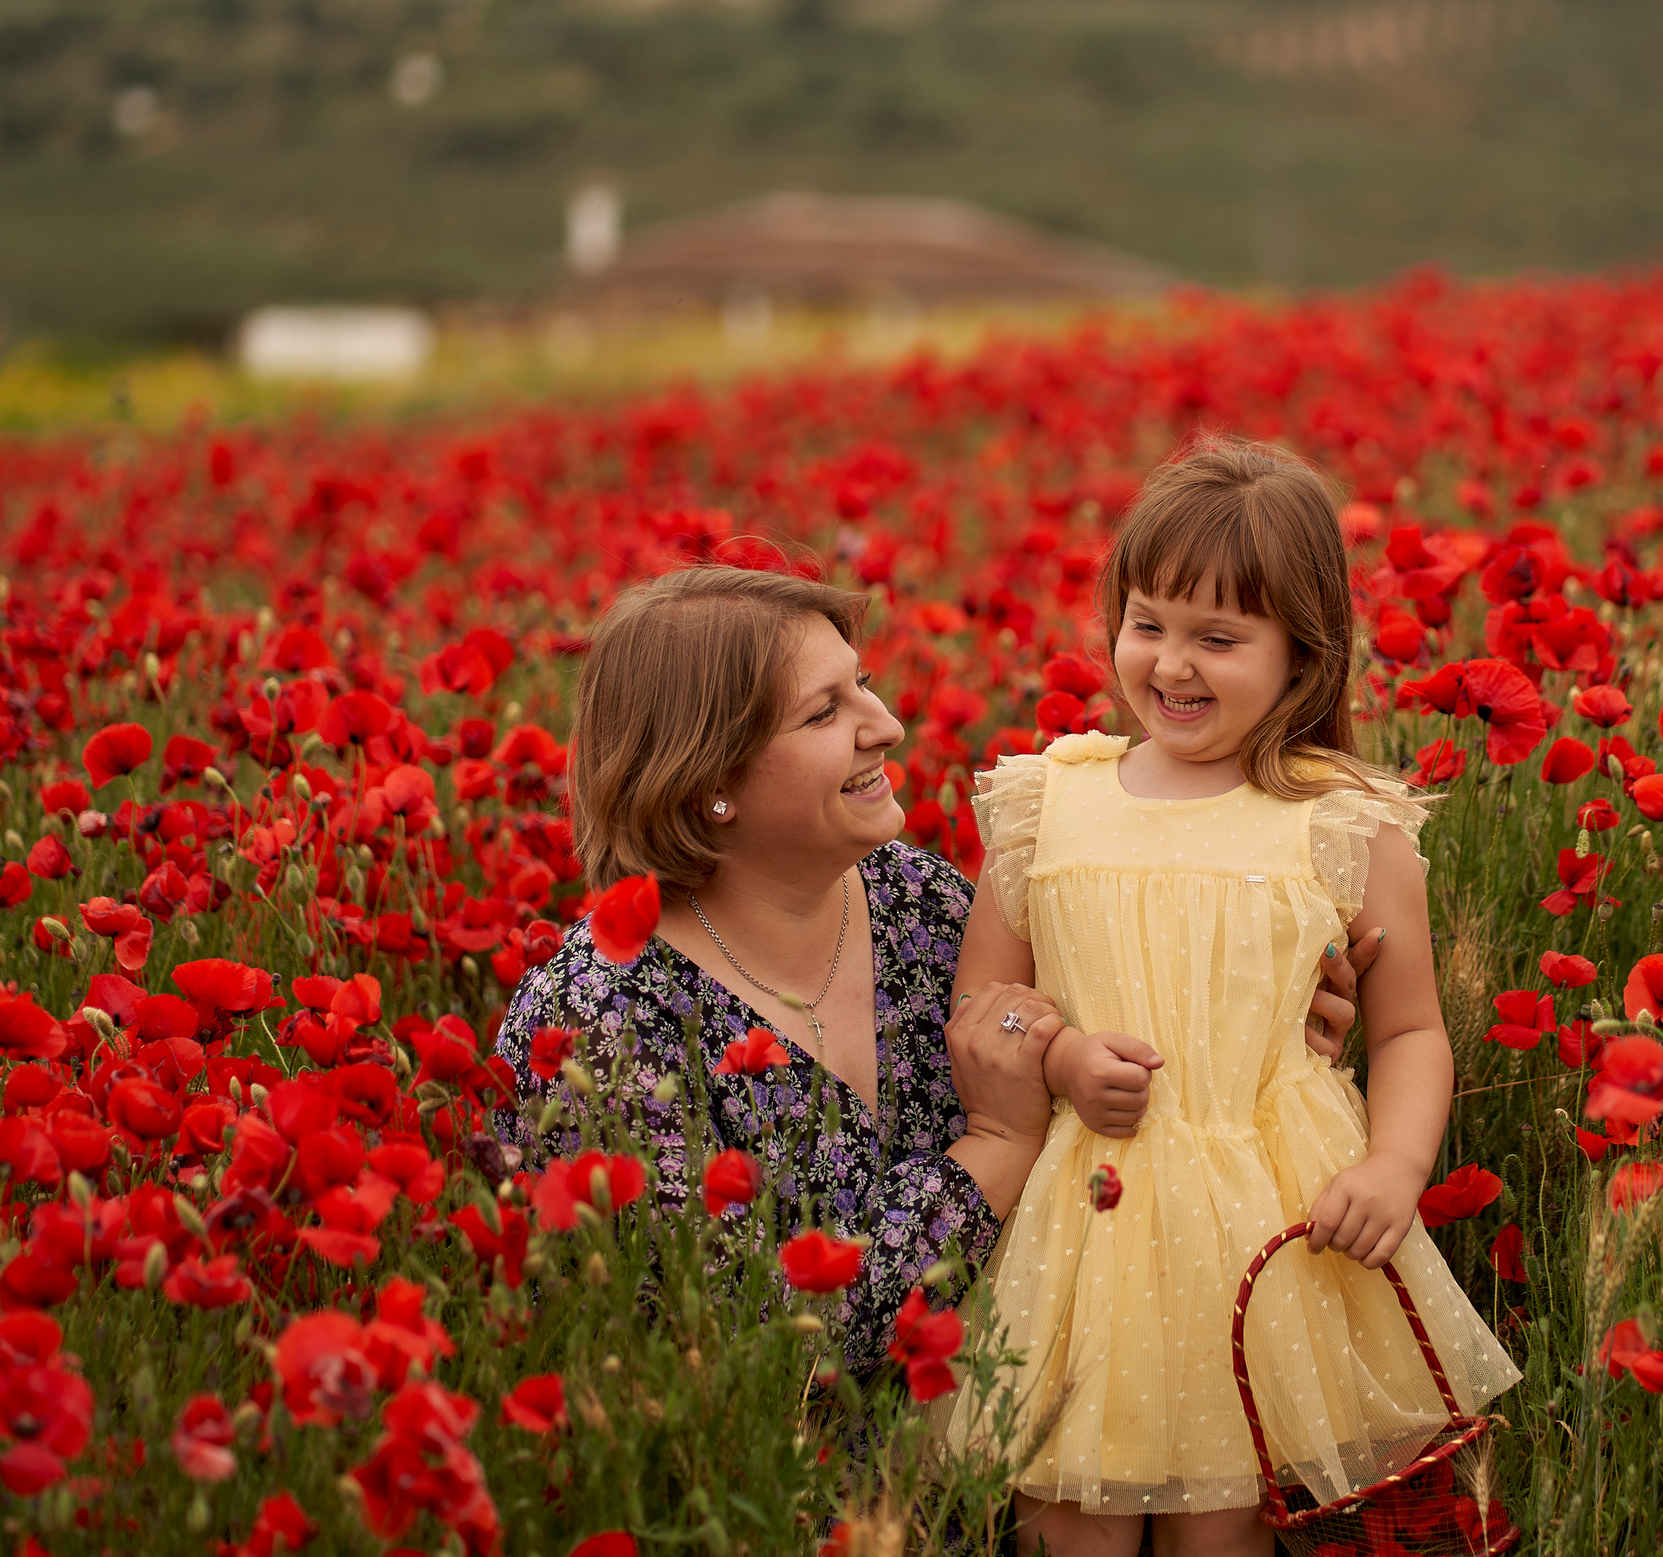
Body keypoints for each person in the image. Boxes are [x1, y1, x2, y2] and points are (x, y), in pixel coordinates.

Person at [488, 565, 1378, 1376]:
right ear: (703, 782)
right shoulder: (597, 1019)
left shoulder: (923, 904)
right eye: (824, 712)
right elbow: (754, 1340)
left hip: (1033, 1439)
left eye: (862, 685)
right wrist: (994, 1148)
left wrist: (1253, 1020)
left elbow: (1117, 1083)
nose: (888, 725)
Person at [941, 444, 1520, 1556]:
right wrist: (1058, 1058)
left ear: (1303, 656)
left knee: (1228, 1526)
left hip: (1272, 1219)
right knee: (1072, 1522)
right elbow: (985, 1003)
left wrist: (1395, 1167)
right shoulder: (1048, 801)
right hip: (1090, 1216)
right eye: (1148, 623)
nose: (1172, 664)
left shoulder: (1340, 820)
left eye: (1219, 638)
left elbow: (1405, 1029)